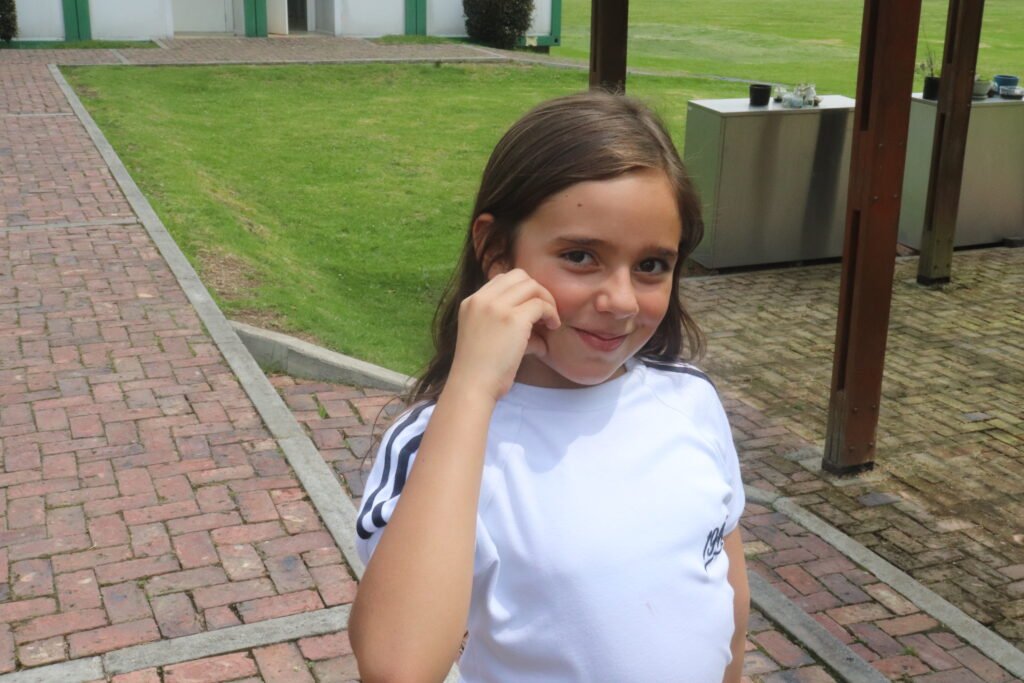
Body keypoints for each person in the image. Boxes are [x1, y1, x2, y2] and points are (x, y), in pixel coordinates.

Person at [349, 91, 749, 683]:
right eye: (582, 256)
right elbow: (397, 667)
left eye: (651, 266)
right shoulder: (446, 438)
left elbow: (728, 597)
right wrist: (472, 389)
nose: (619, 301)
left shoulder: (689, 401)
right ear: (495, 251)